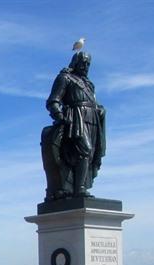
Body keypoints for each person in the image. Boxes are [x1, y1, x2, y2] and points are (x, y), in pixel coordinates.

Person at [44, 51, 106, 199]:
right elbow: (53, 100)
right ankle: (80, 189)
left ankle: (79, 187)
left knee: (91, 154)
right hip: (76, 119)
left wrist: (99, 109)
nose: (85, 66)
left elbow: (93, 102)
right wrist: (59, 116)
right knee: (85, 150)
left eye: (88, 64)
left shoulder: (89, 84)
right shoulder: (65, 78)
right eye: (83, 63)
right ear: (75, 63)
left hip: (92, 120)